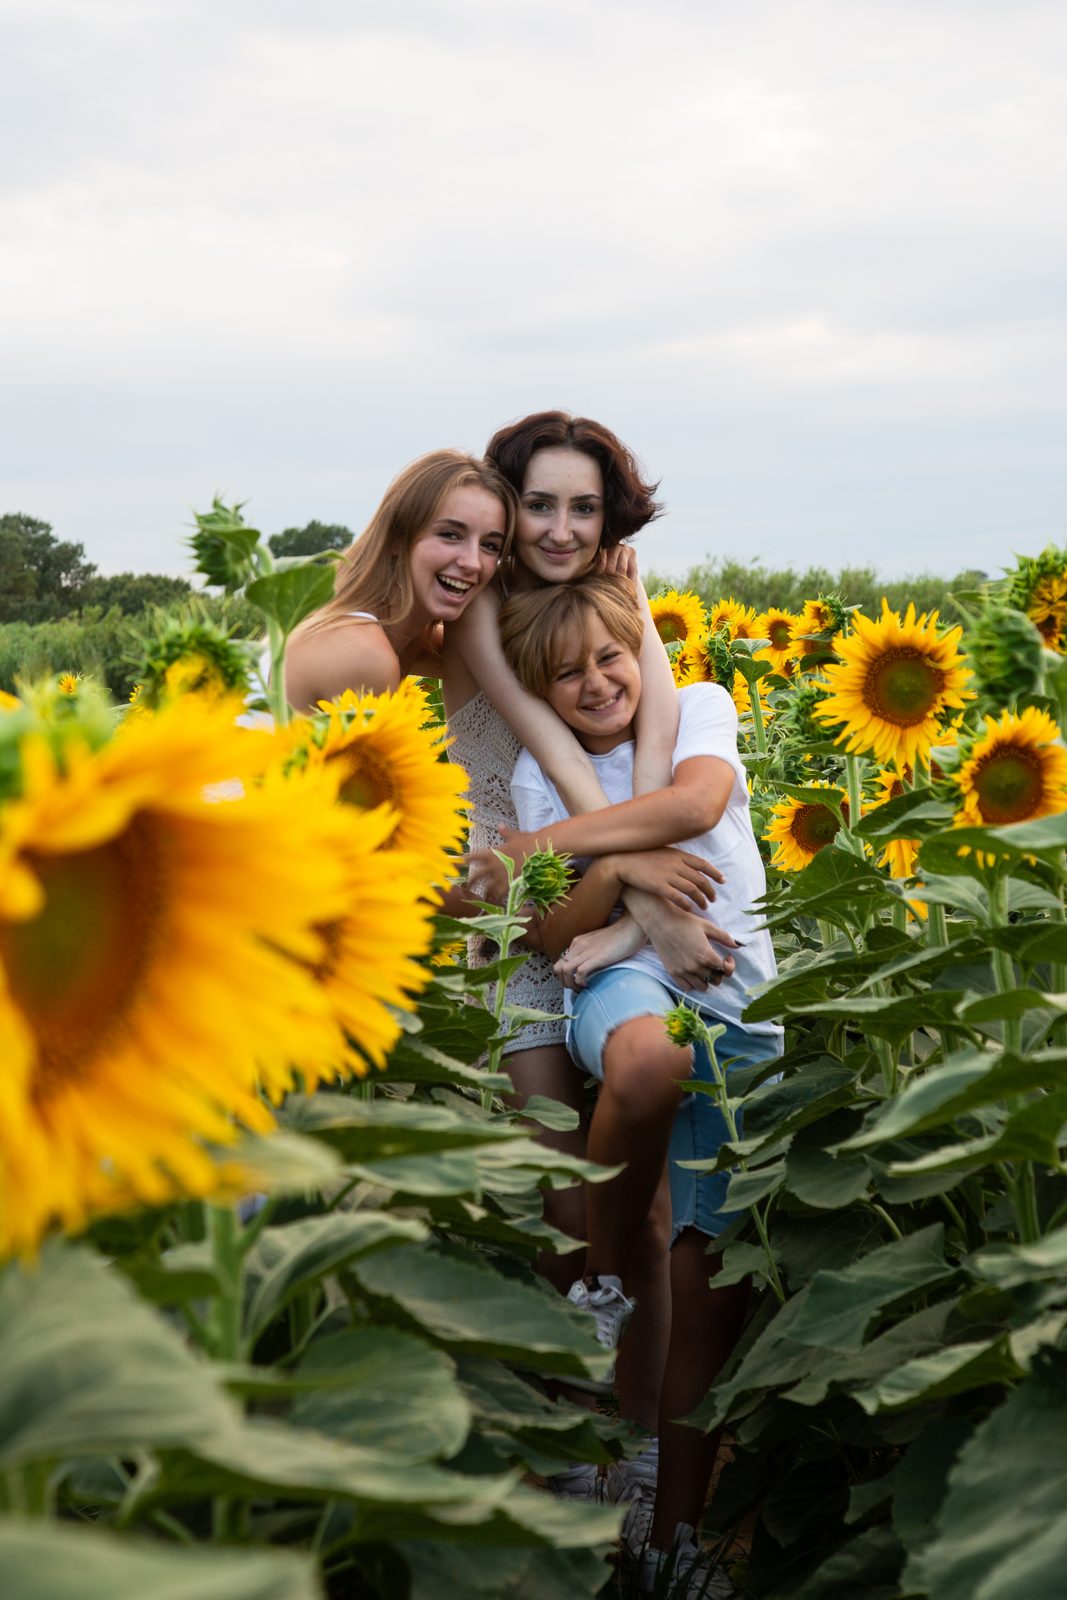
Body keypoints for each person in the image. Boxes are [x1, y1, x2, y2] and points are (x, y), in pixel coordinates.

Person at [438, 413, 737, 1489]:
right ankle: (572, 1436)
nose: (559, 529)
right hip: (516, 900)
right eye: (539, 504)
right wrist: (636, 880)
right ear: (504, 502)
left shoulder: (618, 586)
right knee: (567, 1200)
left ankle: (642, 1448)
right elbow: (557, 756)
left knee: (643, 1201)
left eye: (583, 505)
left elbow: (655, 733)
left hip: (603, 868)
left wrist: (645, 879)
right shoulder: (481, 604)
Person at [498, 572, 783, 1597]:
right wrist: (620, 880)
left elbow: (698, 801)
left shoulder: (702, 704)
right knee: (645, 1054)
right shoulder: (548, 763)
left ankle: (672, 1539)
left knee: (710, 1278)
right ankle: (606, 1287)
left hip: (742, 1002)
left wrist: (575, 848)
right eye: (563, 673)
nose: (593, 683)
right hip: (618, 986)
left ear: (642, 652)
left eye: (609, 657)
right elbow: (548, 930)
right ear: (538, 687)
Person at [284, 449, 515, 711]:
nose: (472, 562)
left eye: (490, 545)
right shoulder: (362, 652)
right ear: (397, 538)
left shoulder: (410, 637)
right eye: (451, 535)